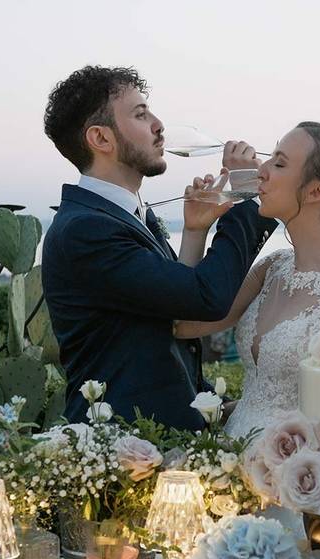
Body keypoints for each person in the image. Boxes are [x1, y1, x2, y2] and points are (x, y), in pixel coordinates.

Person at [41, 65, 277, 430]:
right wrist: (246, 193)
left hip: (159, 441)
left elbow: (174, 314)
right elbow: (207, 298)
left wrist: (196, 231)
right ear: (101, 139)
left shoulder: (125, 216)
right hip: (120, 448)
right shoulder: (86, 230)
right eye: (140, 114)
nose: (158, 124)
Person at [175, 121, 320, 438]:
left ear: (317, 190)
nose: (261, 171)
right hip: (231, 455)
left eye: (278, 163)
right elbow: (185, 323)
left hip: (294, 469)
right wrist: (195, 232)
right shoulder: (271, 268)